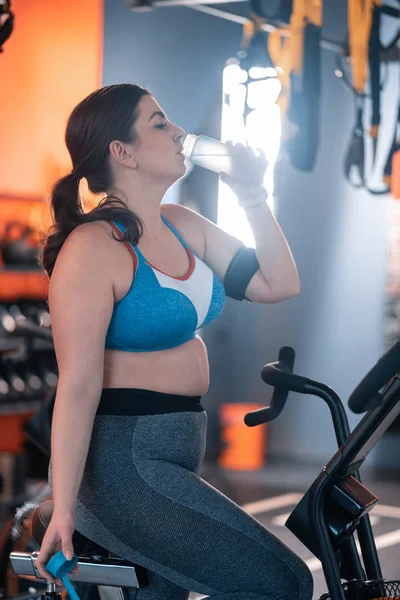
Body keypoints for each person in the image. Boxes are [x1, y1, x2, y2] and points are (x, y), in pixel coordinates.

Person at [35, 83, 313, 600]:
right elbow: (76, 387)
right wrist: (64, 509)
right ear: (123, 152)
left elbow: (279, 283)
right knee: (282, 583)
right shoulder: (93, 247)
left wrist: (251, 193)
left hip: (175, 453)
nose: (179, 132)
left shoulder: (184, 226)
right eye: (159, 123)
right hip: (123, 463)